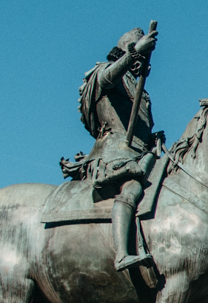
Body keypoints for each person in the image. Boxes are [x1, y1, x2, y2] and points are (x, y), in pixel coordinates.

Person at [67, 21, 162, 271]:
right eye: (138, 55)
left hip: (140, 155)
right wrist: (135, 52)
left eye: (144, 57)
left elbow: (142, 131)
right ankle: (122, 254)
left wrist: (153, 140)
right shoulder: (104, 72)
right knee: (131, 189)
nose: (142, 62)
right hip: (114, 155)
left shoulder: (142, 93)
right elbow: (109, 78)